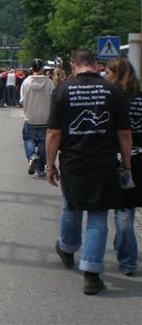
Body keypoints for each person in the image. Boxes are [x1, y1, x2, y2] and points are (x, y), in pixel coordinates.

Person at [46, 49, 131, 295]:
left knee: (71, 205)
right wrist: (127, 165)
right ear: (95, 65)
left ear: (74, 65)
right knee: (98, 214)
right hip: (104, 161)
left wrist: (50, 165)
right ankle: (92, 274)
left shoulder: (63, 90)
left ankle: (67, 247)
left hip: (73, 160)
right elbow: (124, 134)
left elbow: (53, 133)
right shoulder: (113, 91)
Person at [104, 57, 142, 276]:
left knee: (123, 210)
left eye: (108, 72)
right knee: (126, 209)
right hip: (138, 157)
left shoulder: (111, 98)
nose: (104, 76)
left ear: (116, 75)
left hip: (122, 159)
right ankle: (124, 248)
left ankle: (127, 259)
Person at [20, 59, 54, 177]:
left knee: (29, 140)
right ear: (42, 68)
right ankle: (40, 169)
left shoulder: (26, 82)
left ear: (31, 68)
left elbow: (22, 100)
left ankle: (32, 156)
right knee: (43, 144)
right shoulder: (49, 82)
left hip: (30, 117)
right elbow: (53, 99)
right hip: (45, 118)